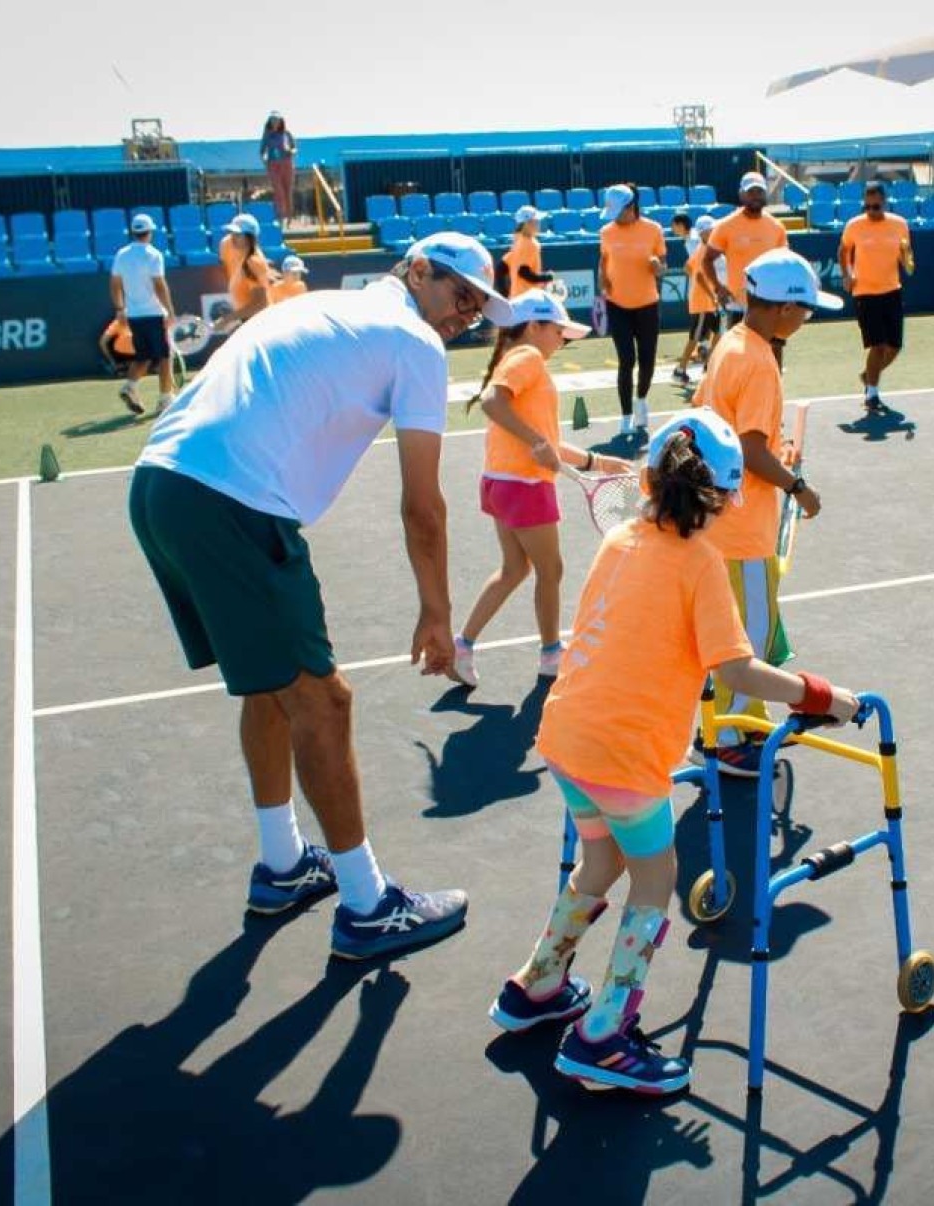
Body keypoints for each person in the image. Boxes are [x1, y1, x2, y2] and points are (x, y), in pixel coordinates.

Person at [128, 232, 514, 963]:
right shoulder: (414, 343)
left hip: (160, 485)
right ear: (419, 272)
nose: (467, 315)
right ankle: (367, 906)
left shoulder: (318, 308)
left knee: (270, 688)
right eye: (461, 295)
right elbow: (422, 505)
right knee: (323, 701)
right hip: (229, 500)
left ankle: (282, 865)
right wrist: (437, 611)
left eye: (480, 307)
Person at [489, 409, 860, 1093]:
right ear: (719, 498)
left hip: (567, 738)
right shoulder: (701, 564)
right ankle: (602, 1035)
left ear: (654, 482)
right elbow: (737, 672)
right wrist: (823, 694)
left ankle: (535, 986)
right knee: (654, 884)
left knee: (598, 862)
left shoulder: (621, 539)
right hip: (625, 759)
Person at [693, 247, 840, 776]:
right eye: (805, 310)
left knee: (727, 635)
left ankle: (724, 724)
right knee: (746, 640)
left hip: (718, 525)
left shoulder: (731, 344)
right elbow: (751, 452)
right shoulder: (759, 362)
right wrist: (798, 485)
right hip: (741, 532)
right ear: (783, 309)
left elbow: (734, 434)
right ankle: (729, 739)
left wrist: (777, 454)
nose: (807, 319)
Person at [453, 291, 628, 686]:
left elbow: (545, 440)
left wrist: (596, 462)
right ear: (534, 326)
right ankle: (551, 654)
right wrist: (536, 443)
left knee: (515, 568)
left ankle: (461, 646)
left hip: (500, 483)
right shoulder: (527, 358)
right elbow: (491, 403)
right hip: (525, 486)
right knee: (551, 569)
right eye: (559, 332)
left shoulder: (514, 360)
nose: (562, 341)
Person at [596, 183, 667, 436]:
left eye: (618, 210)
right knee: (627, 360)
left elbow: (663, 266)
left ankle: (641, 401)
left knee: (647, 359)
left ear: (631, 207)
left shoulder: (653, 229)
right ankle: (626, 415)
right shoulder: (606, 232)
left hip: (648, 304)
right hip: (617, 305)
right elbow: (603, 262)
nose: (614, 216)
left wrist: (657, 265)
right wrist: (601, 282)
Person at [840, 181, 915, 413]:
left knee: (894, 347)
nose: (872, 211)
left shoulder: (900, 225)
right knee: (879, 345)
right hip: (865, 292)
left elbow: (905, 254)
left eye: (876, 206)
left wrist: (907, 261)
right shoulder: (854, 225)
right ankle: (872, 394)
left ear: (884, 202)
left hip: (892, 290)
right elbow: (844, 250)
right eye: (868, 207)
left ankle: (868, 376)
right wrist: (848, 274)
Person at [699, 171, 789, 359]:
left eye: (759, 191)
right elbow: (707, 260)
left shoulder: (776, 227)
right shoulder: (725, 225)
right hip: (738, 304)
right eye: (751, 192)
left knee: (772, 352)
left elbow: (785, 263)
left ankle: (772, 388)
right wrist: (718, 288)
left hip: (770, 302)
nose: (756, 196)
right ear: (741, 194)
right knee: (738, 356)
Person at [109, 213, 177, 417]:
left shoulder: (122, 254)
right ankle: (165, 399)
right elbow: (159, 285)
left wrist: (120, 309)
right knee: (164, 357)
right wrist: (170, 310)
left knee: (144, 357)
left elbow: (114, 283)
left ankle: (130, 386)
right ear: (149, 233)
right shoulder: (153, 255)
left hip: (135, 316)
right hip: (154, 315)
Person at [672, 214, 720, 383]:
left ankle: (709, 364)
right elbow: (698, 275)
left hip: (708, 299)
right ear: (703, 232)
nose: (714, 232)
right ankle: (680, 369)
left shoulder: (704, 248)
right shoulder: (703, 249)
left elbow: (688, 268)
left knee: (719, 332)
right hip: (703, 301)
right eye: (710, 230)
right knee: (695, 338)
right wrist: (710, 294)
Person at [219, 214, 273, 330]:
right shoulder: (227, 244)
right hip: (247, 321)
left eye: (238, 234)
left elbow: (260, 304)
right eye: (231, 232)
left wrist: (228, 319)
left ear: (250, 238)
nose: (233, 237)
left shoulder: (254, 262)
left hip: (260, 323)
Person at [502, 206, 552, 299]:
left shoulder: (517, 240)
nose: (538, 224)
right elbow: (523, 272)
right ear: (527, 224)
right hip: (528, 298)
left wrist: (505, 295)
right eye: (536, 221)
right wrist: (546, 277)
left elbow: (501, 269)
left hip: (516, 297)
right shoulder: (530, 244)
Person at [260, 111, 297, 225]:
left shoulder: (287, 134)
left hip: (287, 163)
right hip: (273, 165)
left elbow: (295, 148)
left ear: (281, 121)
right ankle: (280, 217)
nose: (275, 122)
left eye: (277, 120)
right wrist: (265, 161)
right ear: (269, 122)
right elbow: (262, 151)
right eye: (272, 120)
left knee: (288, 192)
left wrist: (291, 151)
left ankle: (289, 218)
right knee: (278, 192)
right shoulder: (267, 135)